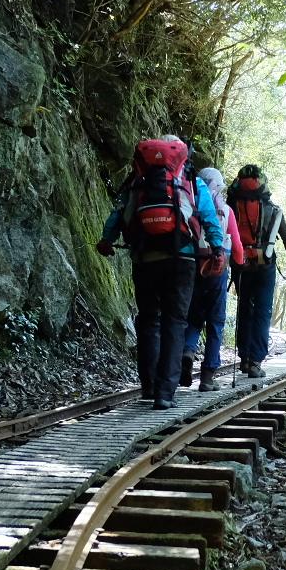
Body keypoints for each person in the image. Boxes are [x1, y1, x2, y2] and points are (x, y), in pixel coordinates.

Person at [97, 137, 226, 408]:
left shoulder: (138, 180)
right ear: (181, 155)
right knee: (175, 322)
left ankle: (149, 386)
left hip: (144, 257)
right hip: (181, 258)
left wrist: (107, 240)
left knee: (148, 321)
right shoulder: (190, 180)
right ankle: (165, 394)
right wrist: (216, 248)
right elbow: (209, 217)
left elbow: (119, 213)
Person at [226, 164, 286, 378]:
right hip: (264, 263)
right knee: (262, 311)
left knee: (245, 308)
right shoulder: (271, 208)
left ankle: (245, 358)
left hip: (240, 264)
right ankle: (256, 361)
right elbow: (285, 235)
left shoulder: (231, 204)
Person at [183, 166, 244, 391]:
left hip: (193, 268)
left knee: (193, 318)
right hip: (218, 271)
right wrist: (241, 263)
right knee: (216, 323)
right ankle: (208, 377)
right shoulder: (225, 211)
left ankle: (187, 352)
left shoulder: (189, 204)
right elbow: (237, 249)